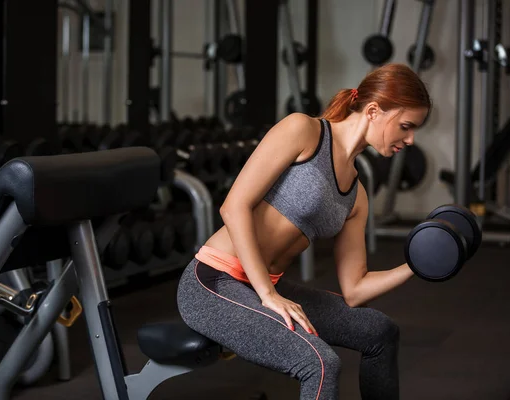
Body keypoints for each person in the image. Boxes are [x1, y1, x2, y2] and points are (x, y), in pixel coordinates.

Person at [177, 63, 431, 400]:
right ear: (373, 110)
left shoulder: (357, 194)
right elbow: (233, 206)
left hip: (265, 287)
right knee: (321, 364)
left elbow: (354, 290)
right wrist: (267, 294)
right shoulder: (303, 131)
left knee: (379, 331)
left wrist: (417, 264)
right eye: (405, 126)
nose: (410, 139)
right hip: (213, 281)